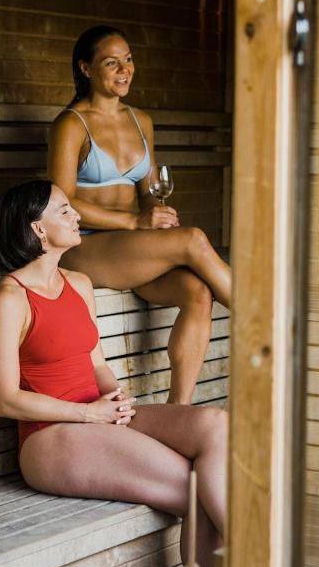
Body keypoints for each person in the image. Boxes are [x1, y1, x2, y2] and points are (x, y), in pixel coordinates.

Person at [0, 178, 226, 567]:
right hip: (50, 437)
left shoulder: (79, 283)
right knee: (201, 493)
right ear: (37, 228)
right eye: (64, 210)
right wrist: (88, 413)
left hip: (97, 414)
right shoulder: (8, 297)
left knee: (214, 423)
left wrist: (115, 395)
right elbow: (7, 400)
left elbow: (96, 363)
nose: (77, 215)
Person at [47, 25, 231, 406]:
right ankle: (267, 325)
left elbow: (148, 194)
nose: (124, 70)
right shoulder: (71, 124)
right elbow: (61, 202)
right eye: (111, 62)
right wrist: (135, 223)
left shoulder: (140, 121)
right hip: (84, 247)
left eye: (128, 60)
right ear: (86, 68)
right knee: (194, 240)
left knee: (198, 292)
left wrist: (156, 217)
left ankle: (178, 410)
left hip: (129, 250)